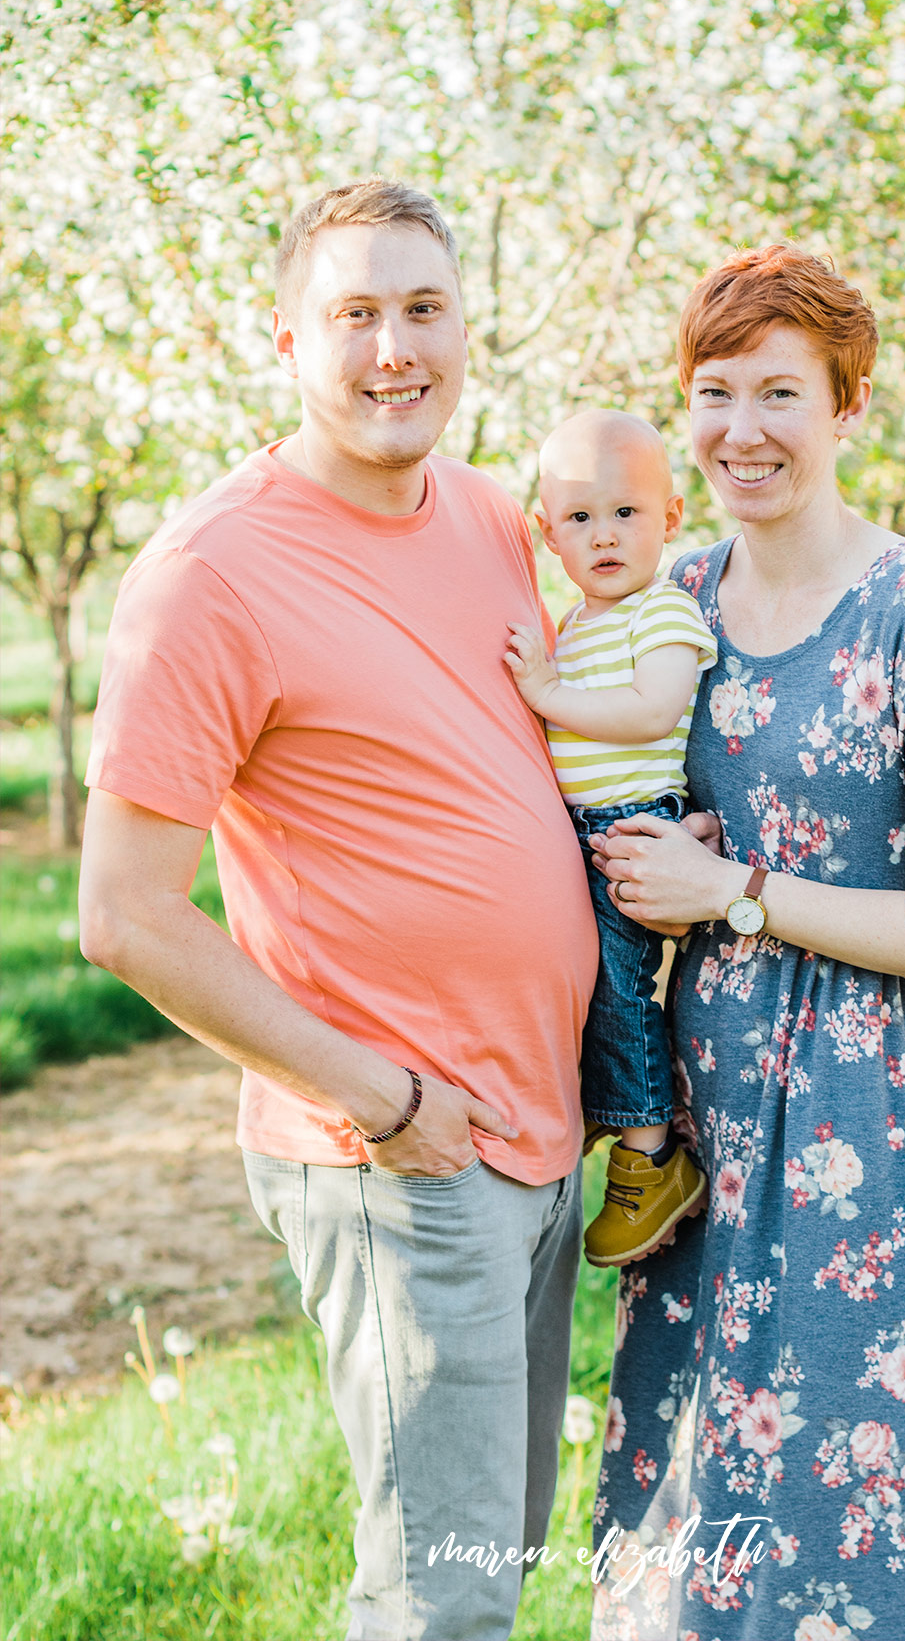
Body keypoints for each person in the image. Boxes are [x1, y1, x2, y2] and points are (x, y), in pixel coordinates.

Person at [77, 180, 598, 1641]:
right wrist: (383, 1099)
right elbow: (124, 915)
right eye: (354, 313)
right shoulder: (209, 576)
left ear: (465, 326)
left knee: (493, 1560)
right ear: (288, 338)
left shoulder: (494, 518)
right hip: (401, 1153)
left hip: (538, 1134)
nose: (393, 349)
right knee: (438, 1599)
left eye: (423, 308)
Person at [585, 245, 905, 1640]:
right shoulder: (676, 605)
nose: (741, 431)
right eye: (713, 394)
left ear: (848, 407)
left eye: (780, 392)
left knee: (859, 1500)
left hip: (871, 1128)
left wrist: (739, 892)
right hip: (703, 1124)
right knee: (696, 1506)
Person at [505, 410, 717, 1268]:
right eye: (580, 518)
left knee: (623, 989)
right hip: (582, 834)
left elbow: (651, 711)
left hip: (635, 832)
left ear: (669, 519)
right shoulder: (580, 622)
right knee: (589, 981)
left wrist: (546, 693)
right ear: (547, 531)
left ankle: (649, 1159)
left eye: (626, 514)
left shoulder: (660, 613)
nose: (604, 536)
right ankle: (615, 1097)